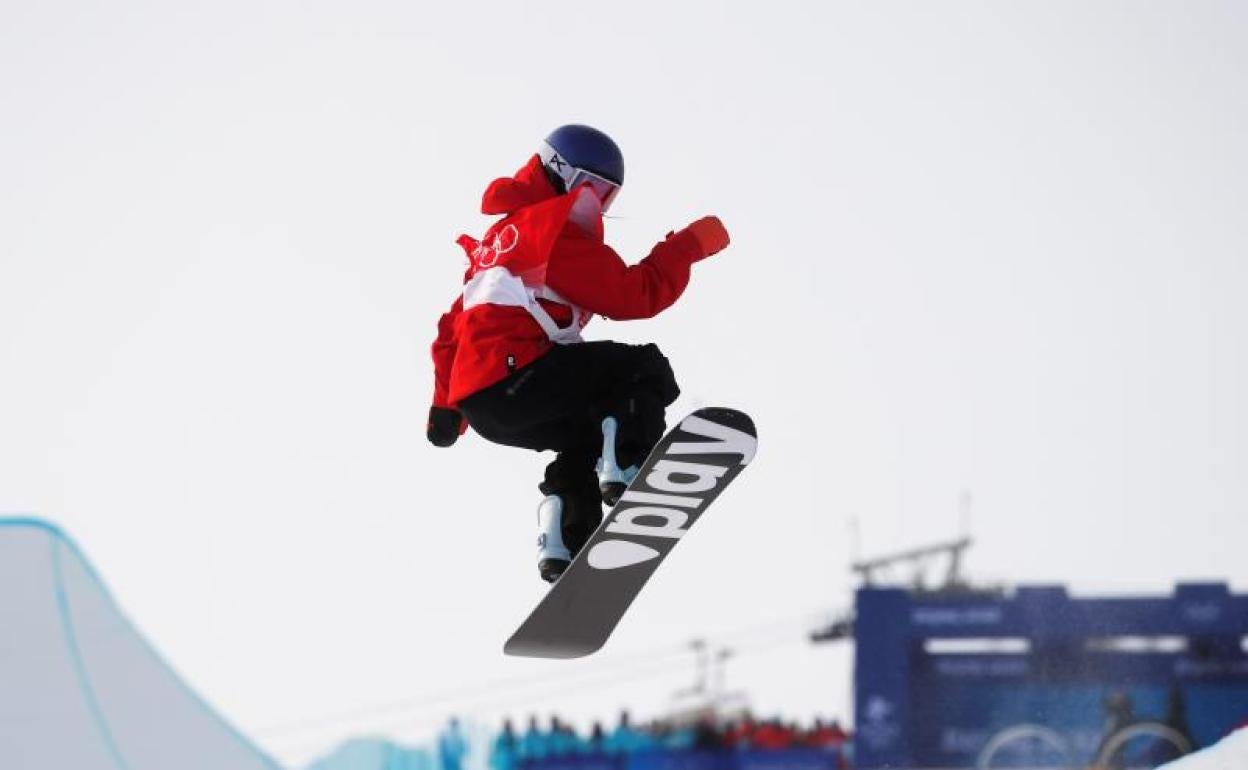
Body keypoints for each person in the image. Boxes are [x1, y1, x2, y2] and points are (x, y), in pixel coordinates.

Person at [426, 124, 731, 582]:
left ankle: (564, 538)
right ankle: (627, 462)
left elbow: (453, 330)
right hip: (520, 377)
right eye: (591, 186)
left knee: (588, 430)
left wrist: (446, 409)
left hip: (485, 403)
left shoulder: (497, 245)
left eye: (607, 195)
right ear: (559, 172)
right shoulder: (550, 230)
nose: (597, 202)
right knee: (642, 369)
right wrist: (687, 247)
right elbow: (634, 295)